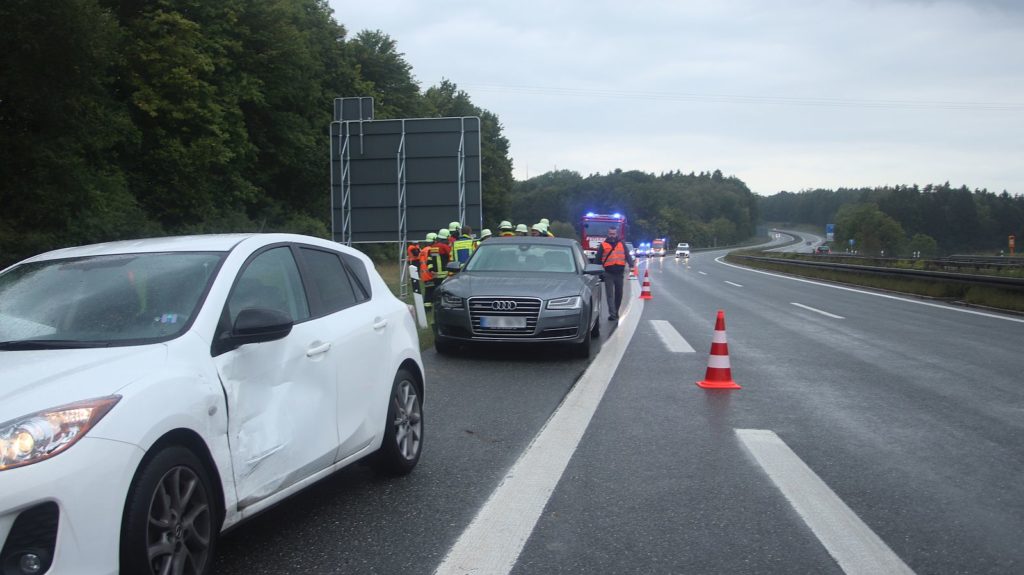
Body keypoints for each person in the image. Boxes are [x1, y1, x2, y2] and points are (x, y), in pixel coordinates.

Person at [595, 226, 634, 321]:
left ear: (616, 234)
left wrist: (631, 264)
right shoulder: (603, 245)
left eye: (614, 234)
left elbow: (627, 255)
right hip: (608, 273)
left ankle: (616, 311)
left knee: (619, 294)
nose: (612, 236)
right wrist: (596, 271)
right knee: (610, 295)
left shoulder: (621, 244)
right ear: (608, 234)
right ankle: (612, 314)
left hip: (619, 273)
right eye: (610, 234)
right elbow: (598, 260)